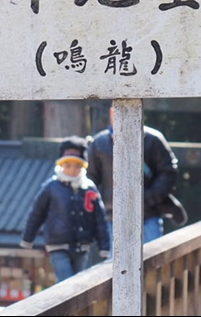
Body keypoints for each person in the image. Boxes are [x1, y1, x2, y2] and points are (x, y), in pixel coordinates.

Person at [87, 106, 187, 250]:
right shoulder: (99, 143)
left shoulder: (153, 140)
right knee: (113, 265)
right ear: (111, 114)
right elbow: (91, 180)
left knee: (152, 258)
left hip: (147, 214)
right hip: (112, 216)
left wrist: (148, 198)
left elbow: (168, 171)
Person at [20, 136, 109, 282]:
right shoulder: (51, 187)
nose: (72, 170)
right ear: (61, 166)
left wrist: (104, 245)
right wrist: (28, 237)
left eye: (77, 166)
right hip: (57, 244)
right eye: (68, 166)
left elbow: (99, 218)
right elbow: (37, 213)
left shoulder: (89, 188)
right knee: (65, 281)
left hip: (82, 244)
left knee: (78, 282)